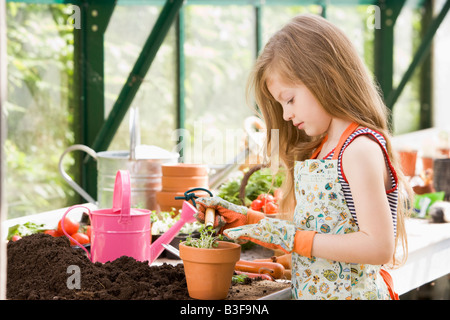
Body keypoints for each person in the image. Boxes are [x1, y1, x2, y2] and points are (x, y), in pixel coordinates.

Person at [195, 14, 412, 300]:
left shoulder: (358, 148)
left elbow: (378, 247)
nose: (285, 114)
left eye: (290, 99)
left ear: (325, 76)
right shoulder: (323, 148)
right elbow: (320, 231)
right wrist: (249, 220)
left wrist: (294, 238)